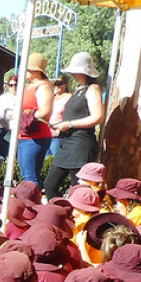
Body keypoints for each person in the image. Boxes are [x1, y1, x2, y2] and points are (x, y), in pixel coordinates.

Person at [45, 52, 105, 199]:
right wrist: (60, 127)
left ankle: (76, 218)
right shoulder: (78, 88)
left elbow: (98, 117)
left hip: (81, 145)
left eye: (75, 70)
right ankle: (60, 214)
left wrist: (70, 124)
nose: (72, 74)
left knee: (78, 189)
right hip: (66, 145)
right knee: (49, 185)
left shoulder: (93, 89)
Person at [18, 53, 55, 185]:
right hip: (24, 135)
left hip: (36, 136)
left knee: (30, 177)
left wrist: (24, 115)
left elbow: (46, 111)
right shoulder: (29, 87)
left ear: (35, 71)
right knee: (26, 176)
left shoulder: (43, 87)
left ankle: (33, 204)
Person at [0, 75, 18, 157]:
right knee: (2, 156)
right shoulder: (3, 98)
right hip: (4, 131)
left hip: (18, 132)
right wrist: (8, 128)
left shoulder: (23, 98)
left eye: (16, 84)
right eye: (11, 85)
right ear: (8, 86)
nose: (14, 87)